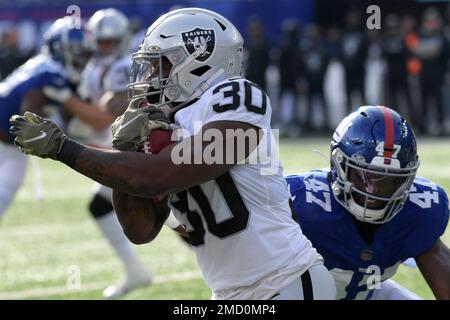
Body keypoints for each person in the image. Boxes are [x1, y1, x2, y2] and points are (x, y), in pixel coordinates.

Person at [9, 7, 336, 300]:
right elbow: (140, 230)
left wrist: (63, 149)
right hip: (228, 292)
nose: (150, 78)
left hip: (287, 280)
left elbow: (162, 175)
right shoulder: (162, 122)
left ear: (197, 60)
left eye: (159, 65)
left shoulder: (235, 97)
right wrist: (127, 147)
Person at [286, 105, 450, 300]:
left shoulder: (419, 210)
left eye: (388, 181)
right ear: (339, 165)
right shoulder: (302, 201)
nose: (374, 191)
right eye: (363, 176)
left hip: (368, 293)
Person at [68, 8, 152, 299]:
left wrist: (67, 105)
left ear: (121, 39)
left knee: (173, 213)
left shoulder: (123, 67)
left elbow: (105, 116)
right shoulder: (94, 68)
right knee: (105, 206)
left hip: (141, 149)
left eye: (110, 42)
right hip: (118, 148)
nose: (105, 47)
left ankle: (136, 270)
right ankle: (135, 271)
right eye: (101, 42)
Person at [0, 17, 92, 219]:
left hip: (12, 146)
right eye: (78, 50)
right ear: (60, 47)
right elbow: (27, 117)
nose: (83, 57)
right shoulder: (52, 73)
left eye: (86, 52)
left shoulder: (44, 65)